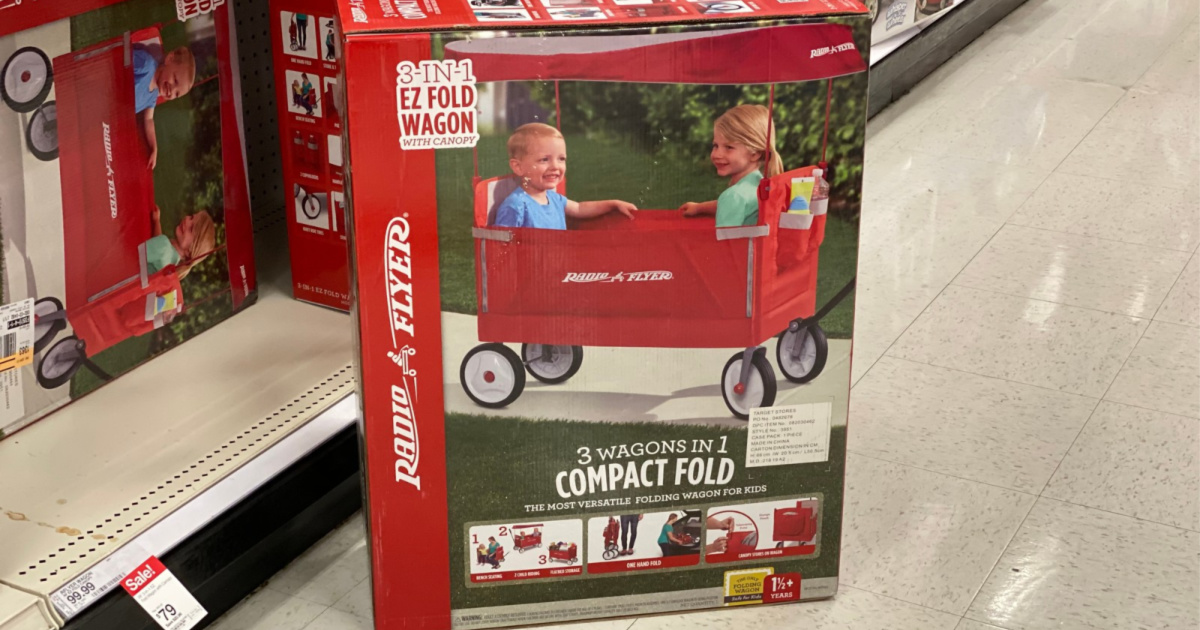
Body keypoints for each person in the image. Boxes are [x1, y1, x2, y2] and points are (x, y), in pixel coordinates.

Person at [491, 123, 637, 229]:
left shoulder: (554, 198)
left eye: (561, 159)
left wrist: (613, 204)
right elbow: (501, 247)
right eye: (544, 159)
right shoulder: (516, 205)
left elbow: (580, 208)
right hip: (530, 268)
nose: (555, 166)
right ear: (519, 167)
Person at [678, 104, 783, 227]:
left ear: (755, 154)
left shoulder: (734, 196)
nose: (717, 154)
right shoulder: (760, 184)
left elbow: (725, 244)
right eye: (716, 145)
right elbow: (733, 205)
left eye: (729, 147)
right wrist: (699, 208)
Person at [133, 44, 196, 169]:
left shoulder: (153, 96)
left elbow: (148, 119)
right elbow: (119, 60)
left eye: (176, 94)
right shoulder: (147, 65)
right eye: (175, 80)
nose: (171, 90)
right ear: (169, 59)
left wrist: (154, 147)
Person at [146, 206, 217, 279]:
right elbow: (158, 245)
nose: (187, 220)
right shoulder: (173, 264)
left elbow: (136, 255)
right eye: (191, 217)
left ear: (189, 252)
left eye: (191, 229)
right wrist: (156, 221)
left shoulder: (164, 246)